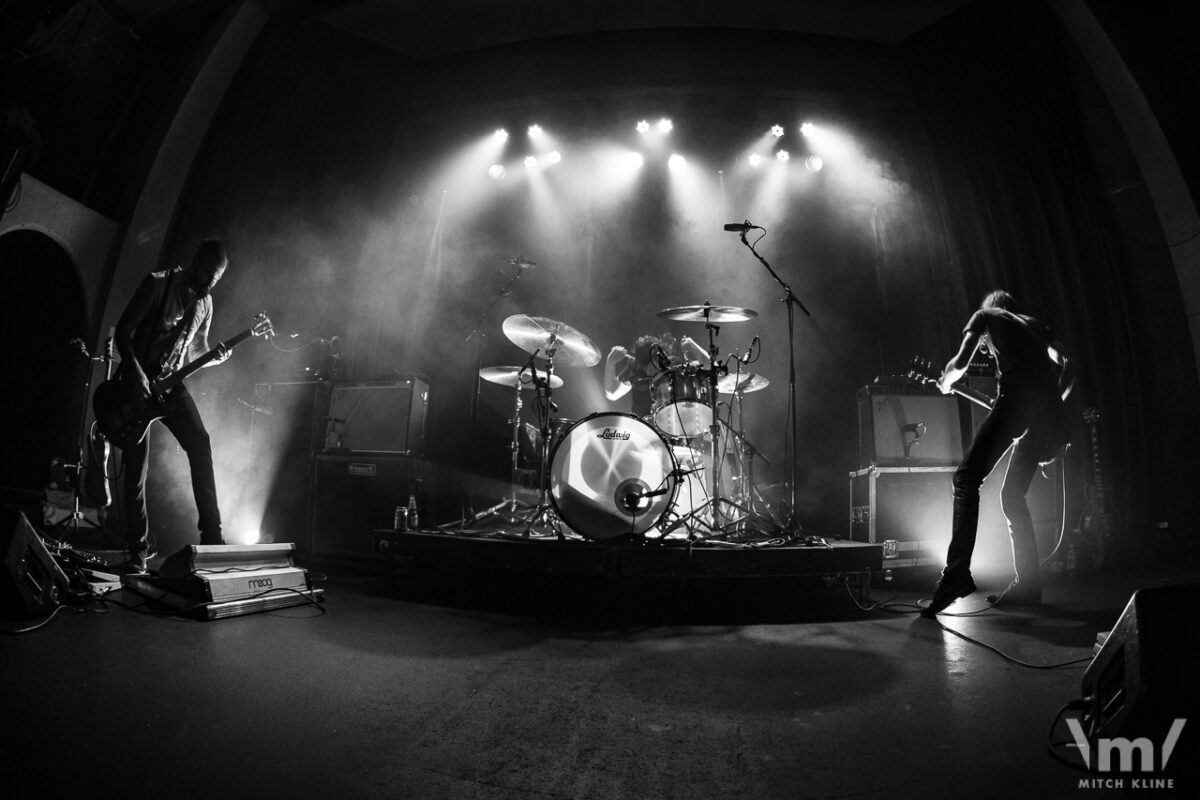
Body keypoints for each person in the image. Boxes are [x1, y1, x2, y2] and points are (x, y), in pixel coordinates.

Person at [922, 290, 1074, 617]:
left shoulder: (986, 316)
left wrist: (947, 381)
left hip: (1018, 403)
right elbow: (1069, 365)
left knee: (965, 479)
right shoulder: (1035, 326)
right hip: (1051, 418)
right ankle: (1029, 586)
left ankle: (956, 576)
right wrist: (1050, 406)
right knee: (1012, 495)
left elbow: (960, 363)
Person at [113, 239, 232, 573]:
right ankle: (137, 552)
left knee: (201, 444)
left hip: (172, 384)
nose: (209, 285)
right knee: (137, 467)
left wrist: (215, 358)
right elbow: (124, 331)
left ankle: (212, 537)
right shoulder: (157, 284)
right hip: (138, 377)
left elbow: (195, 352)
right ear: (196, 262)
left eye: (216, 280)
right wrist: (136, 374)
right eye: (208, 275)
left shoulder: (205, 303)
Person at [603, 332, 708, 417]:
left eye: (650, 364)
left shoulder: (674, 365)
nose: (648, 370)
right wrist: (610, 362)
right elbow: (612, 394)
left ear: (659, 356)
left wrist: (694, 347)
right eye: (644, 367)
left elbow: (719, 378)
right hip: (643, 431)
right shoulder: (635, 368)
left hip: (673, 425)